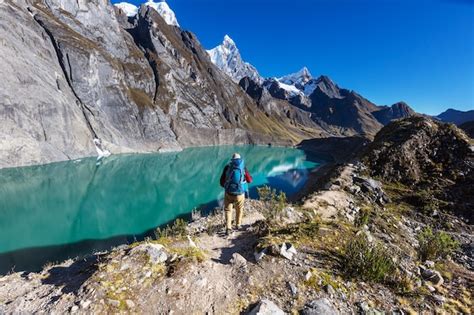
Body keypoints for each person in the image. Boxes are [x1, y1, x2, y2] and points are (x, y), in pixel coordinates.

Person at [219, 153, 253, 236]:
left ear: (232, 160)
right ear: (240, 160)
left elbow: (221, 181)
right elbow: (249, 180)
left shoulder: (227, 167)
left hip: (229, 193)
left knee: (228, 210)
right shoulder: (243, 168)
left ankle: (228, 228)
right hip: (240, 193)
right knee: (239, 209)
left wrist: (227, 187)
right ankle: (238, 225)